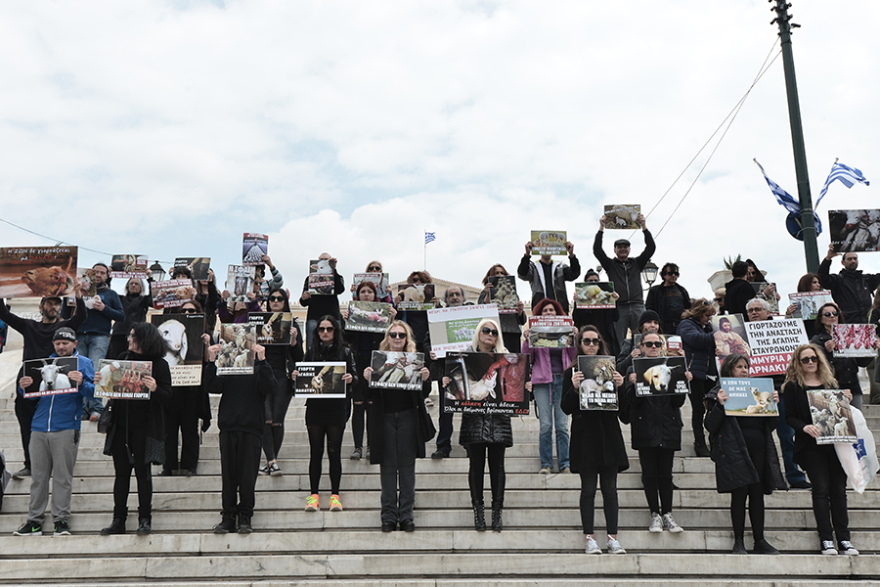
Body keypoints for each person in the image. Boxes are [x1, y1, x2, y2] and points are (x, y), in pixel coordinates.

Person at [12, 327, 95, 537]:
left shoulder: (84, 363)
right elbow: (31, 395)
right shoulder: (45, 363)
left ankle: (61, 521)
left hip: (67, 426)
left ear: (75, 343)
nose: (61, 346)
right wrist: (24, 388)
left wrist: (81, 382)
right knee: (38, 477)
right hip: (39, 427)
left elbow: (95, 392)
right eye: (57, 343)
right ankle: (34, 521)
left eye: (65, 343)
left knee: (62, 477)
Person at [704, 354, 786, 554]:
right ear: (729, 370)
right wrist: (720, 406)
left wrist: (774, 405)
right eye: (739, 367)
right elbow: (710, 425)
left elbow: (771, 425)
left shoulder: (758, 390)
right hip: (734, 451)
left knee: (757, 495)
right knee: (739, 495)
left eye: (746, 367)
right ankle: (739, 541)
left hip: (759, 449)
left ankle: (760, 540)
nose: (744, 370)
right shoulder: (718, 392)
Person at [1, 290, 86, 480]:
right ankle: (29, 465)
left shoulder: (65, 327)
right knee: (26, 425)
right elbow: (4, 314)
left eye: (57, 303)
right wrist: (2, 289)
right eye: (49, 303)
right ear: (41, 307)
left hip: (57, 386)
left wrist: (80, 295)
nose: (53, 306)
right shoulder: (28, 325)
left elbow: (81, 316)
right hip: (28, 384)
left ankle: (57, 463)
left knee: (56, 426)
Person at [783, 344, 859, 555]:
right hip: (810, 446)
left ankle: (844, 539)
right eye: (805, 359)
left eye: (813, 358)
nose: (810, 362)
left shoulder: (830, 383)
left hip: (836, 443)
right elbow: (789, 416)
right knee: (821, 489)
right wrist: (804, 427)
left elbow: (840, 412)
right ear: (798, 362)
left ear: (820, 360)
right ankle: (826, 539)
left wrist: (847, 402)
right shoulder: (792, 386)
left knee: (839, 491)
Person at [99, 322, 173, 536]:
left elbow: (169, 397)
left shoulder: (159, 365)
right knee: (121, 475)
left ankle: (144, 519)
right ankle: (118, 520)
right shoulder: (123, 358)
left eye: (133, 336)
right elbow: (109, 387)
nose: (129, 339)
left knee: (143, 474)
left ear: (144, 339)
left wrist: (156, 388)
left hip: (146, 428)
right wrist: (101, 381)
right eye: (129, 336)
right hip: (121, 426)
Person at [561, 326, 628, 555]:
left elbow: (625, 414)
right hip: (584, 437)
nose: (591, 344)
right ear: (579, 343)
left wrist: (621, 388)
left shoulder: (612, 371)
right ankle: (589, 537)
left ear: (601, 344)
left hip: (608, 435)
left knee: (610, 490)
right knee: (588, 489)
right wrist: (574, 387)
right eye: (586, 340)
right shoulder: (571, 373)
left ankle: (612, 538)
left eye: (595, 341)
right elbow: (565, 408)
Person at [364, 321, 432, 532]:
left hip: (408, 417)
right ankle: (388, 516)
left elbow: (424, 393)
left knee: (407, 468)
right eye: (393, 334)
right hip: (383, 418)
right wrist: (366, 379)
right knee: (387, 467)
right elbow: (367, 395)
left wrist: (427, 379)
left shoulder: (415, 361)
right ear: (387, 337)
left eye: (401, 335)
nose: (397, 338)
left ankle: (406, 515)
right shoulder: (378, 361)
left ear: (406, 339)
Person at [620, 330, 691, 533]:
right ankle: (655, 514)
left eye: (656, 344)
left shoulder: (672, 368)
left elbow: (678, 402)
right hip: (645, 426)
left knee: (666, 474)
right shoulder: (633, 370)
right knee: (649, 474)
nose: (653, 348)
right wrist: (632, 385)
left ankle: (667, 513)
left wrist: (683, 382)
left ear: (662, 347)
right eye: (648, 344)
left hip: (668, 426)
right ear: (640, 347)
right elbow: (631, 403)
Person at [445, 318, 512, 532]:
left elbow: (511, 388)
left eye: (494, 332)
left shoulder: (507, 357)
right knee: (476, 465)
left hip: (498, 417)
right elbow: (457, 388)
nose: (490, 335)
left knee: (497, 466)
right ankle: (478, 510)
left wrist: (525, 385)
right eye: (486, 330)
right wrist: (447, 383)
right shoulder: (464, 358)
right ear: (478, 332)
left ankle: (497, 511)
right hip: (474, 417)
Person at [204, 333, 274, 534]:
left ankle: (245, 516)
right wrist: (210, 361)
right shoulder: (229, 364)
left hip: (251, 428)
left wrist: (263, 360)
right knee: (229, 476)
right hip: (229, 427)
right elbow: (213, 386)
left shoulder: (260, 366)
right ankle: (228, 517)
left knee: (247, 476)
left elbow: (269, 386)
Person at [745, 298, 810, 489]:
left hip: (781, 390)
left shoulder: (783, 330)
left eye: (758, 309)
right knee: (757, 438)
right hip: (754, 391)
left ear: (768, 312)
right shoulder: (742, 336)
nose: (754, 313)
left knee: (787, 436)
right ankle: (763, 479)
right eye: (750, 311)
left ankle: (795, 477)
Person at [295, 316, 357, 512]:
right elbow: (302, 375)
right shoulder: (312, 352)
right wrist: (296, 376)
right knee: (316, 452)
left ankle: (335, 496)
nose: (325, 332)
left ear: (335, 331)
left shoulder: (345, 352)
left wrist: (350, 379)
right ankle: (313, 496)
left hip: (337, 407)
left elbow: (355, 377)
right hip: (315, 406)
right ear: (317, 331)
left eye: (329, 329)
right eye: (321, 329)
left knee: (334, 451)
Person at [521, 298, 577, 474]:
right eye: (545, 311)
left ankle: (565, 464)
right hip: (542, 382)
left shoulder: (565, 332)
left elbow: (574, 355)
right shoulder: (535, 332)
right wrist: (527, 340)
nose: (549, 313)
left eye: (552, 310)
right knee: (545, 425)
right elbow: (526, 357)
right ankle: (546, 464)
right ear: (539, 314)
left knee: (562, 425)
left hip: (563, 380)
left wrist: (574, 338)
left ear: (558, 313)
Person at [66, 263, 124, 421]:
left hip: (100, 336)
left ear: (107, 276)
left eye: (102, 273)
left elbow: (121, 316)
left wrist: (104, 308)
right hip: (78, 336)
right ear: (89, 274)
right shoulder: (77, 291)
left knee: (96, 372)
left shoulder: (111, 294)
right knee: (80, 373)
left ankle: (96, 409)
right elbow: (65, 313)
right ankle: (83, 409)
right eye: (95, 272)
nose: (98, 275)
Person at [344, 281, 394, 461]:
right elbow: (345, 339)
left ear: (375, 295)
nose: (366, 294)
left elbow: (391, 338)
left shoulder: (382, 313)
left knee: (373, 407)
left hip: (377, 363)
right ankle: (358, 446)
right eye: (363, 292)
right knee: (358, 406)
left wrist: (392, 319)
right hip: (358, 363)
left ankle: (372, 446)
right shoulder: (354, 313)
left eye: (369, 292)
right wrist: (346, 321)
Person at [161, 300, 210, 477]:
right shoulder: (171, 330)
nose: (188, 312)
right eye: (184, 310)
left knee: (190, 428)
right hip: (172, 386)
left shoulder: (203, 333)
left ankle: (190, 465)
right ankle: (168, 465)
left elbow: (207, 361)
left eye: (192, 310)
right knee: (169, 428)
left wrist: (206, 344)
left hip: (192, 387)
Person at [258, 288, 304, 475]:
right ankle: (272, 460)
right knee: (266, 419)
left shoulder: (292, 324)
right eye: (272, 299)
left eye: (279, 299)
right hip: (262, 374)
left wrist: (293, 341)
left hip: (283, 376)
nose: (275, 301)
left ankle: (271, 462)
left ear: (285, 302)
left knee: (277, 420)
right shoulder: (258, 322)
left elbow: (299, 356)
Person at [593, 213, 656, 345]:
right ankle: (620, 364)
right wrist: (601, 228)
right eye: (619, 247)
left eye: (625, 247)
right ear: (615, 250)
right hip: (619, 307)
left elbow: (651, 248)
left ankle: (640, 362)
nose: (622, 249)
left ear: (629, 249)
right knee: (618, 340)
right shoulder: (610, 265)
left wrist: (644, 226)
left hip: (638, 305)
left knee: (642, 339)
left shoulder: (637, 263)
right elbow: (597, 250)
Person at [809, 302, 878, 411]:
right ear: (821, 320)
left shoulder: (851, 334)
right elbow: (813, 363)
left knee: (857, 422)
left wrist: (871, 348)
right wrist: (826, 351)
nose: (832, 316)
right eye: (827, 314)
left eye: (835, 313)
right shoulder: (816, 340)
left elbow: (863, 363)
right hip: (830, 387)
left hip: (852, 385)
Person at [429, 284, 470, 459]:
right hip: (446, 369)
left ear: (463, 298)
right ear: (446, 300)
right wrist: (431, 352)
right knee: (446, 411)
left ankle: (470, 443)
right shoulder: (439, 317)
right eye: (451, 295)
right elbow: (428, 339)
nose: (454, 297)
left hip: (470, 368)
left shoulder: (473, 316)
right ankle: (443, 446)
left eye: (457, 294)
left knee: (470, 408)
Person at [677, 299, 717, 457]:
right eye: (707, 315)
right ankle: (699, 441)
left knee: (712, 409)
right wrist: (719, 334)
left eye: (711, 316)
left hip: (710, 374)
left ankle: (713, 440)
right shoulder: (686, 325)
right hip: (694, 374)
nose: (709, 318)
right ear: (698, 313)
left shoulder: (708, 327)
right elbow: (697, 340)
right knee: (699, 408)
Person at [818, 244, 880, 324]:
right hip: (847, 324)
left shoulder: (866, 279)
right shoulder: (838, 280)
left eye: (855, 258)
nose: (853, 261)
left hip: (867, 323)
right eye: (849, 259)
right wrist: (828, 258)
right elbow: (822, 278)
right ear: (843, 262)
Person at [517, 239, 581, 314]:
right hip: (540, 312)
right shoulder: (534, 267)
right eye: (544, 246)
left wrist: (572, 255)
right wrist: (527, 255)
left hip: (560, 312)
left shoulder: (560, 267)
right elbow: (522, 274)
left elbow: (574, 274)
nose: (547, 249)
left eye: (550, 247)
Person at [571, 269, 621, 358]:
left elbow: (616, 317)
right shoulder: (582, 297)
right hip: (587, 340)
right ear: (585, 283)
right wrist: (576, 302)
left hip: (605, 339)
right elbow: (576, 318)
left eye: (596, 281)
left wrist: (614, 302)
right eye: (590, 281)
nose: (593, 282)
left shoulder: (604, 296)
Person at [300, 253, 345, 349]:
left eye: (326, 260)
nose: (324, 261)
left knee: (336, 345)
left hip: (333, 316)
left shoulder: (338, 277)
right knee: (311, 347)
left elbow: (340, 289)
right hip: (314, 317)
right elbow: (303, 303)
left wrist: (334, 270)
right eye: (321, 259)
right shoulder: (310, 279)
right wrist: (304, 297)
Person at [479, 264, 526, 353]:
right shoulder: (484, 293)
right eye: (496, 273)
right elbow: (482, 313)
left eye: (502, 273)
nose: (500, 275)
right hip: (494, 333)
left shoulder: (512, 293)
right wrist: (488, 294)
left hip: (512, 334)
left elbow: (522, 321)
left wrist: (520, 311)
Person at [107, 277, 152, 360]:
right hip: (119, 335)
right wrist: (109, 278)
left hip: (137, 334)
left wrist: (150, 279)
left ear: (141, 287)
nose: (133, 285)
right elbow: (107, 294)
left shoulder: (144, 300)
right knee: (116, 359)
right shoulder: (120, 299)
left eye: (136, 283)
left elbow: (154, 298)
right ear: (127, 286)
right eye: (131, 283)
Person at [395, 271, 438, 353]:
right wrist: (397, 306)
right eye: (413, 280)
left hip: (427, 341)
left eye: (418, 279)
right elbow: (397, 320)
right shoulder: (406, 297)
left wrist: (437, 307)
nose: (416, 281)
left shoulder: (432, 300)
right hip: (410, 340)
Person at [645, 263, 691, 335]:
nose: (673, 275)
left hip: (680, 326)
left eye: (676, 274)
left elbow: (689, 307)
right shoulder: (655, 291)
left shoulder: (682, 290)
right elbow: (649, 309)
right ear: (664, 275)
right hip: (662, 327)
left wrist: (687, 313)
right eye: (670, 273)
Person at [615, 310, 663, 376]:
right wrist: (630, 358)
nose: (653, 325)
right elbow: (619, 368)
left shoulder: (664, 342)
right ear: (642, 325)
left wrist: (680, 357)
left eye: (656, 323)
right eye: (648, 322)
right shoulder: (630, 342)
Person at [784, 273, 825, 339]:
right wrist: (788, 314)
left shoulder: (824, 300)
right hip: (805, 337)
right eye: (814, 282)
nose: (818, 285)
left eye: (819, 282)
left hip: (822, 336)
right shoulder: (796, 302)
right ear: (806, 284)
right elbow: (790, 327)